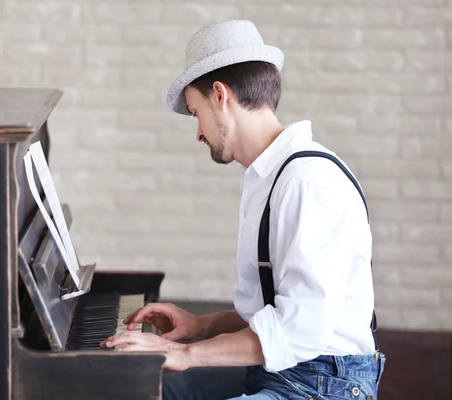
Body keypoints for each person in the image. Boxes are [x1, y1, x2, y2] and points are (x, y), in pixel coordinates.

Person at [101, 20, 386, 399]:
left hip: (323, 384)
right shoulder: (268, 176)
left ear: (220, 96)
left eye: (195, 111)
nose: (198, 132)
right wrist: (200, 326)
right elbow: (279, 307)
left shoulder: (306, 183)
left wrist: (186, 354)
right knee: (147, 390)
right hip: (281, 369)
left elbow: (301, 330)